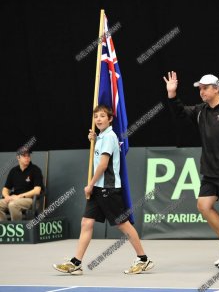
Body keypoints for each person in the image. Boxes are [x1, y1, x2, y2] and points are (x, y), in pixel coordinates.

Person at [53, 105, 154, 275]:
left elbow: (103, 165)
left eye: (102, 116)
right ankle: (76, 262)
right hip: (98, 189)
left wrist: (90, 184)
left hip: (108, 188)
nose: (98, 119)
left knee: (123, 225)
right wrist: (95, 138)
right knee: (87, 222)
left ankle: (143, 259)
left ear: (110, 119)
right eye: (96, 117)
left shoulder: (109, 137)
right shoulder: (101, 137)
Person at [163, 71, 219, 269]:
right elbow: (180, 114)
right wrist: (172, 95)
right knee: (203, 205)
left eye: (205, 88)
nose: (201, 91)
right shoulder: (201, 111)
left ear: (216, 88)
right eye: (200, 88)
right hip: (209, 171)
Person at [0, 147, 43, 221]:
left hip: (30, 200)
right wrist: (7, 196)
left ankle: (17, 228)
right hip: (14, 198)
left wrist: (19, 196)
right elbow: (5, 189)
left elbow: (37, 191)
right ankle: (5, 227)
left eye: (28, 156)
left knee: (13, 205)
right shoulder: (13, 171)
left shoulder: (35, 170)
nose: (27, 158)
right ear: (18, 157)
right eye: (24, 156)